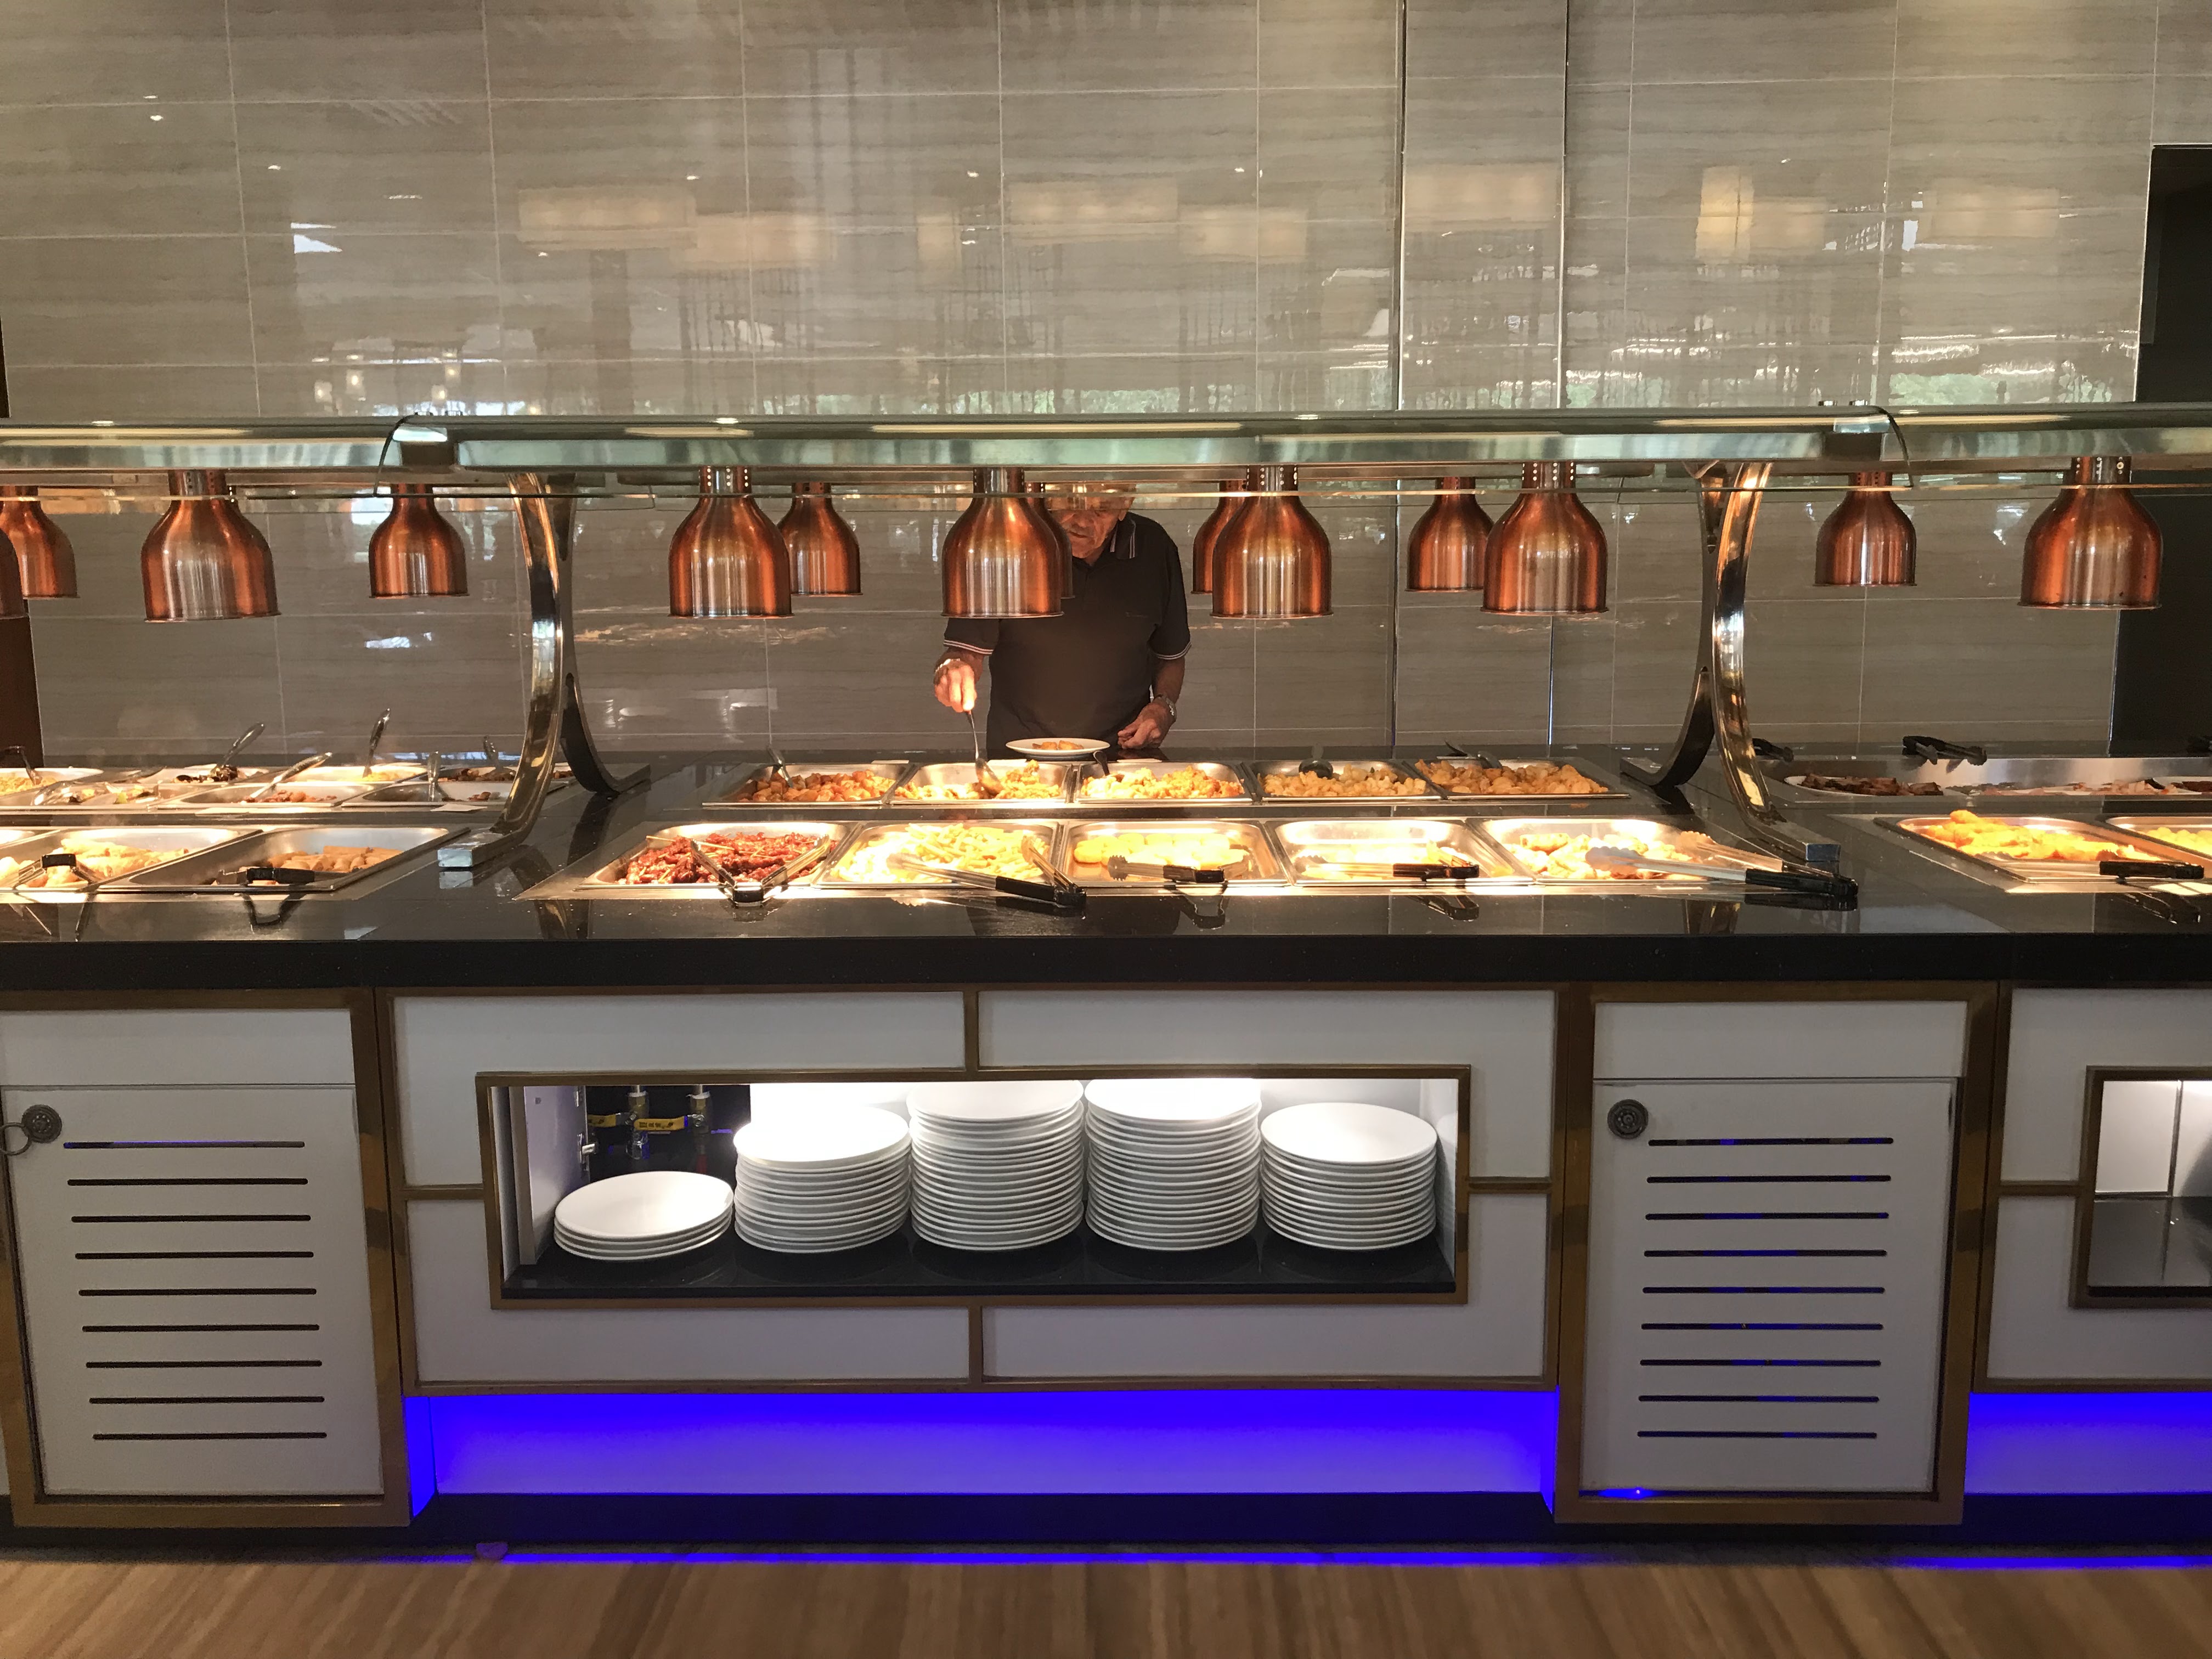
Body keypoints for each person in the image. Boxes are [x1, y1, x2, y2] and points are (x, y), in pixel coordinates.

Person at [931, 484, 1188, 755]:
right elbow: (965, 654)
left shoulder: (1154, 547)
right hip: (1020, 758)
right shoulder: (1008, 543)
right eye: (1071, 503)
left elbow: (1170, 656)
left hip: (1123, 757)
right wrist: (952, 669)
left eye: (1102, 510)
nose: (1083, 521)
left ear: (1125, 505)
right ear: (1048, 497)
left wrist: (1164, 707)